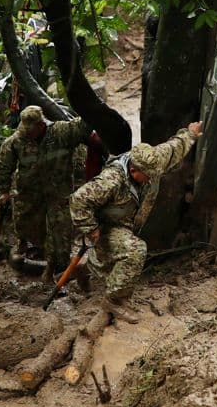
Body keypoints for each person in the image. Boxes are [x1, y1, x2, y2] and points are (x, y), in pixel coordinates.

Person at [69, 121, 203, 322]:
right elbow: (78, 199)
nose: (151, 180)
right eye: (147, 177)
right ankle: (114, 301)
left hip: (127, 221)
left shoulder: (152, 161)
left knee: (112, 257)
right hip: (108, 225)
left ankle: (85, 268)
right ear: (133, 171)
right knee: (135, 250)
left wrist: (190, 134)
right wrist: (91, 228)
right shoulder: (111, 180)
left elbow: (173, 148)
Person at [0, 105, 100, 282]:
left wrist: (93, 107)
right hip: (30, 192)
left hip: (58, 192)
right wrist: (3, 190)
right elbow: (2, 165)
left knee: (60, 229)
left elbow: (84, 125)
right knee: (25, 222)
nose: (27, 133)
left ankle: (54, 267)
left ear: (42, 125)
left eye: (31, 130)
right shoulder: (17, 140)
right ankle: (27, 247)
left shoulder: (61, 132)